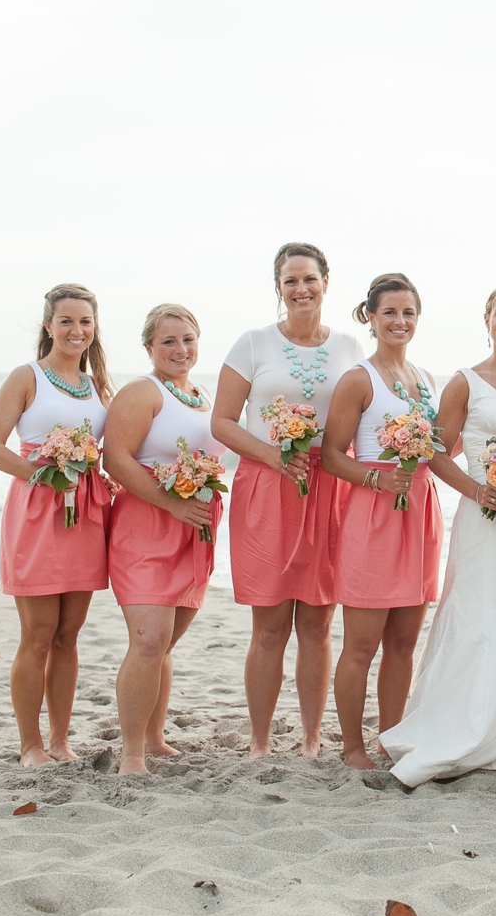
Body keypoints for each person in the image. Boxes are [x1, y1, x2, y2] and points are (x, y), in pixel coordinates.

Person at [381, 283, 496, 786]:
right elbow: (436, 453)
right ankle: (466, 727)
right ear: (487, 320)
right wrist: (477, 488)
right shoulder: (465, 382)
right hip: (483, 518)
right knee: (479, 615)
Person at [212, 243, 364, 759]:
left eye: (309, 279)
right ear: (278, 287)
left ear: (326, 282)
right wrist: (273, 456)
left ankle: (312, 736)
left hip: (329, 489)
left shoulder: (349, 346)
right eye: (290, 281)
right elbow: (222, 422)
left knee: (318, 624)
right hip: (267, 487)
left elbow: (364, 417)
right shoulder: (252, 344)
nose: (301, 289)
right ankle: (259, 741)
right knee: (271, 625)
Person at [0, 284, 115, 766]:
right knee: (38, 634)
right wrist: (45, 473)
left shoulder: (98, 385)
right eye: (66, 321)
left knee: (67, 636)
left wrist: (107, 476)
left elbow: (110, 450)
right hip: (38, 511)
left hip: (85, 515)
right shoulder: (27, 377)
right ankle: (30, 745)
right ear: (48, 326)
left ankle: (60, 741)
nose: (77, 330)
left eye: (85, 322)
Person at [321, 274, 443, 770]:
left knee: (404, 643)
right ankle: (353, 747)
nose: (399, 321)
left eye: (408, 312)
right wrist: (377, 479)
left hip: (421, 513)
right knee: (361, 646)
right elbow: (331, 456)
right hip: (373, 515)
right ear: (370, 317)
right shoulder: (359, 379)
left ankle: (391, 740)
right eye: (389, 312)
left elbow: (439, 449)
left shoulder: (426, 378)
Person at [105, 304, 227, 775]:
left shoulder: (203, 396)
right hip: (146, 527)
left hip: (194, 531)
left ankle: (154, 741)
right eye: (168, 341)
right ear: (149, 347)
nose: (180, 349)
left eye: (188, 339)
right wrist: (171, 503)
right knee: (149, 640)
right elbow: (115, 458)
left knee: (165, 643)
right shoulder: (143, 392)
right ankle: (131, 754)